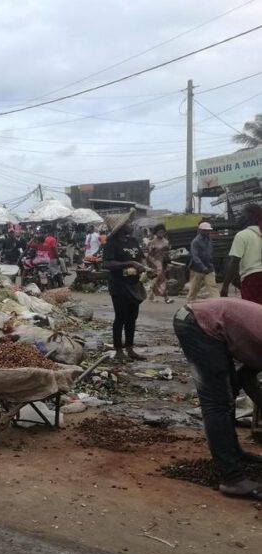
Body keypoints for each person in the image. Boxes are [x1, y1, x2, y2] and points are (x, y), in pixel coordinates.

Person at [173, 299, 262, 500]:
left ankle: (233, 453)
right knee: (217, 402)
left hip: (208, 322)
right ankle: (232, 479)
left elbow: (245, 377)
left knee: (227, 392)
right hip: (198, 323)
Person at [103, 211, 151, 360]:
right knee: (121, 317)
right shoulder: (111, 243)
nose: (131, 225)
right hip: (119, 285)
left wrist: (146, 269)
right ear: (121, 227)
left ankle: (130, 348)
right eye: (128, 223)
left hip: (134, 285)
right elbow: (107, 263)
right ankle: (118, 350)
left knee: (132, 317)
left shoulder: (132, 241)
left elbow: (140, 259)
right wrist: (129, 263)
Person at [221, 203, 262, 304]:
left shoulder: (242, 235)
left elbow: (234, 261)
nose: (240, 218)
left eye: (242, 215)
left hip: (252, 279)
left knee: (252, 312)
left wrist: (225, 286)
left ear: (251, 215)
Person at [145, 224, 172, 303]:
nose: (161, 234)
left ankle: (150, 294)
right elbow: (148, 253)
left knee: (160, 280)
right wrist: (151, 250)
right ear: (155, 233)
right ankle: (166, 298)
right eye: (159, 232)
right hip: (153, 262)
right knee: (160, 278)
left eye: (162, 232)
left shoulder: (166, 241)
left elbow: (167, 253)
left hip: (163, 261)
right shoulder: (152, 242)